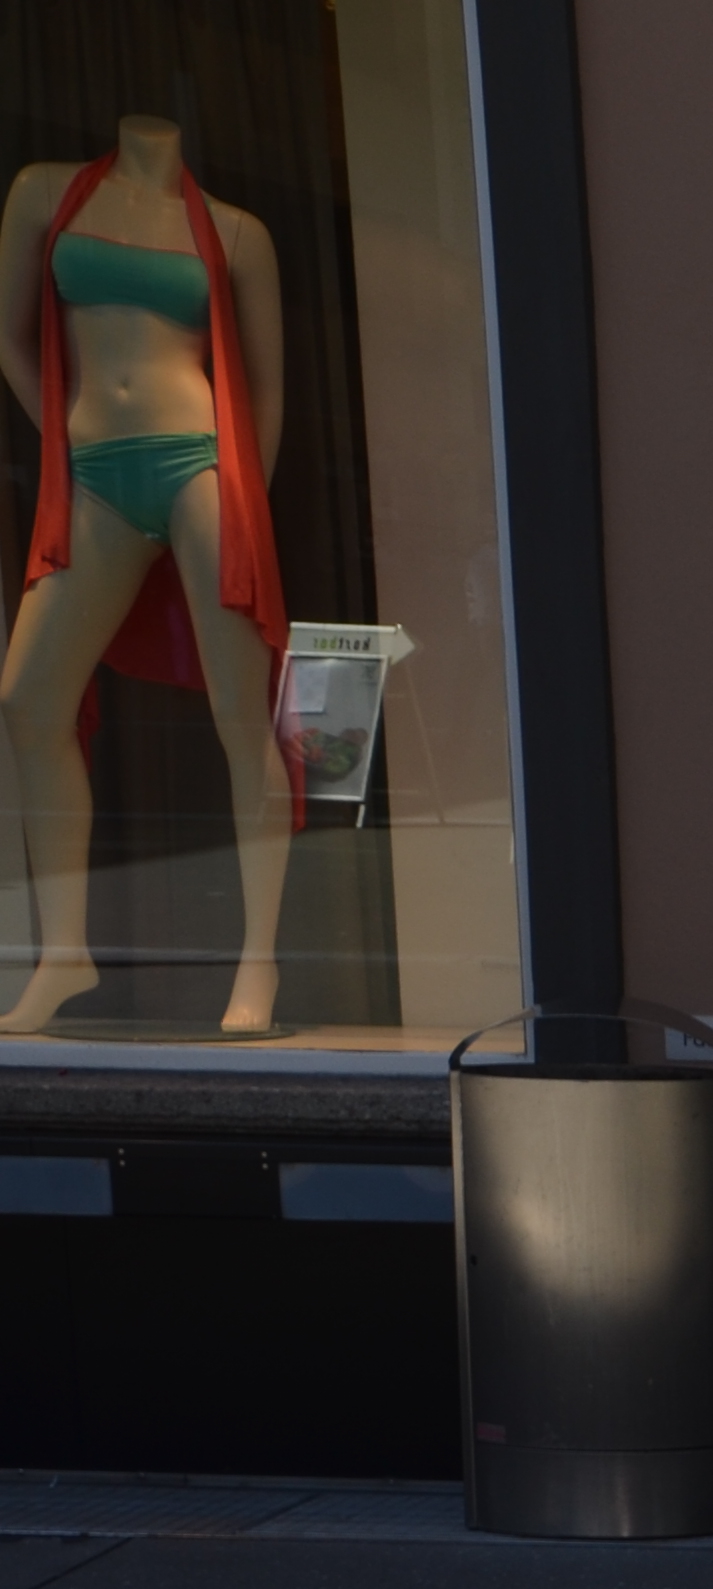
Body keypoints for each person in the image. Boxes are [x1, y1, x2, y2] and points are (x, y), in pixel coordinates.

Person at [2, 117, 294, 1036]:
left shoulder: (239, 232)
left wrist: (249, 501)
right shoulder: (46, 193)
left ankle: (260, 961)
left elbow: (269, 386)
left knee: (242, 717)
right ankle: (63, 952)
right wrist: (61, 440)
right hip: (92, 473)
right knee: (26, 701)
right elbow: (10, 338)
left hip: (200, 467)